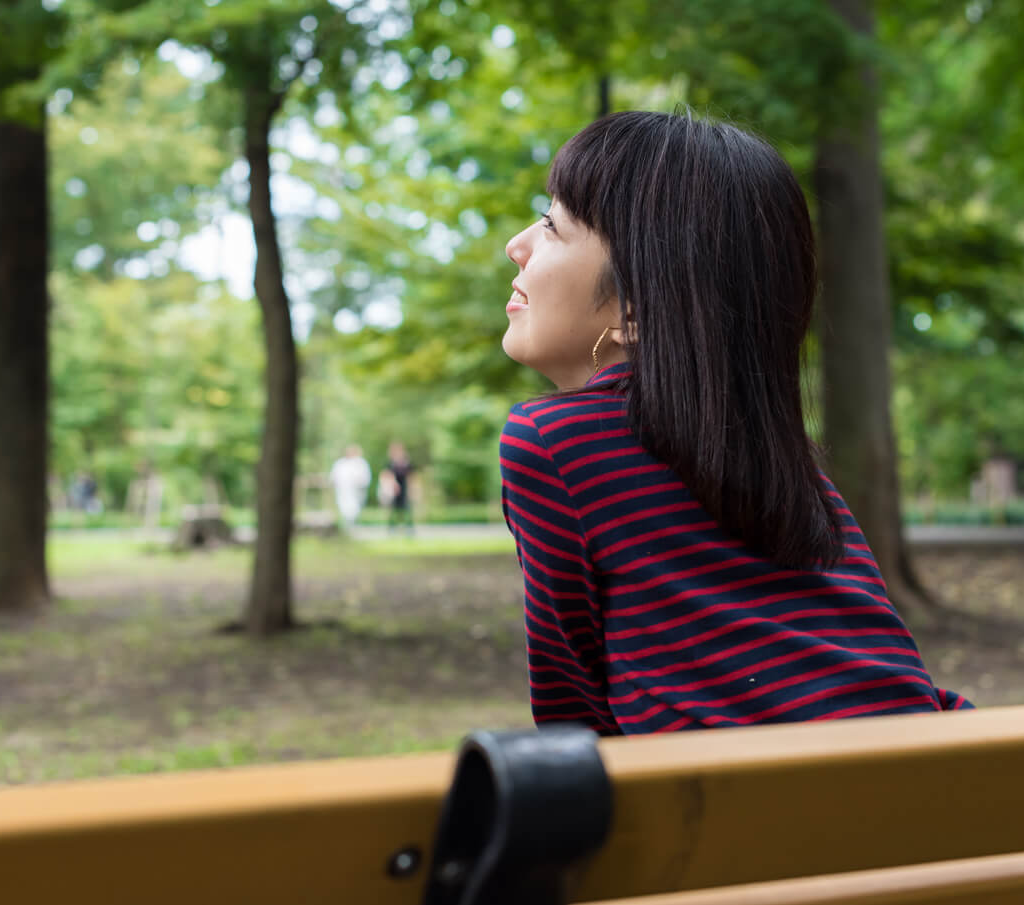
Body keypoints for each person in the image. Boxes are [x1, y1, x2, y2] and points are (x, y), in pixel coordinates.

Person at [498, 111, 970, 735]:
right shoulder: (784, 461)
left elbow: (574, 716)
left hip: (747, 797)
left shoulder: (554, 443)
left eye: (552, 226)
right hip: (925, 772)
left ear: (634, 308)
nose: (518, 245)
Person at [329, 445, 372, 532]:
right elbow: (334, 476)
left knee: (354, 507)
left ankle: (352, 523)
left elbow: (365, 477)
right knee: (344, 506)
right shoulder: (340, 463)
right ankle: (347, 524)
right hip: (343, 490)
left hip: (356, 491)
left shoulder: (360, 463)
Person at [382, 441, 415, 535]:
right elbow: (386, 474)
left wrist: (412, 489)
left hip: (404, 489)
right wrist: (393, 484)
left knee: (407, 509)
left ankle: (409, 528)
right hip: (393, 490)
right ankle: (392, 528)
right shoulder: (391, 464)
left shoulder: (406, 463)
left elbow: (411, 476)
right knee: (393, 509)